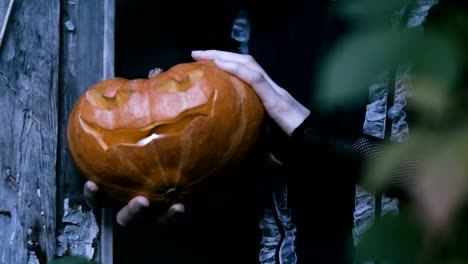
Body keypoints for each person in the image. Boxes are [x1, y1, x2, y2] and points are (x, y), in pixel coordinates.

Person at [84, 0, 441, 263]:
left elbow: (451, 177)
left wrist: (305, 132)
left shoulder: (438, 21)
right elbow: (224, 203)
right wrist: (160, 186)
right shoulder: (226, 26)